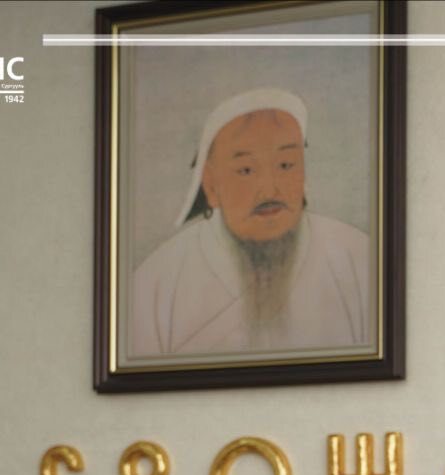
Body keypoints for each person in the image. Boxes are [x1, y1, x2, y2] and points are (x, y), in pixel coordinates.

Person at [130, 88, 371, 357]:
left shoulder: (360, 258)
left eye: (285, 165)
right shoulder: (155, 285)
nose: (269, 190)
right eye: (246, 170)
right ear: (211, 185)